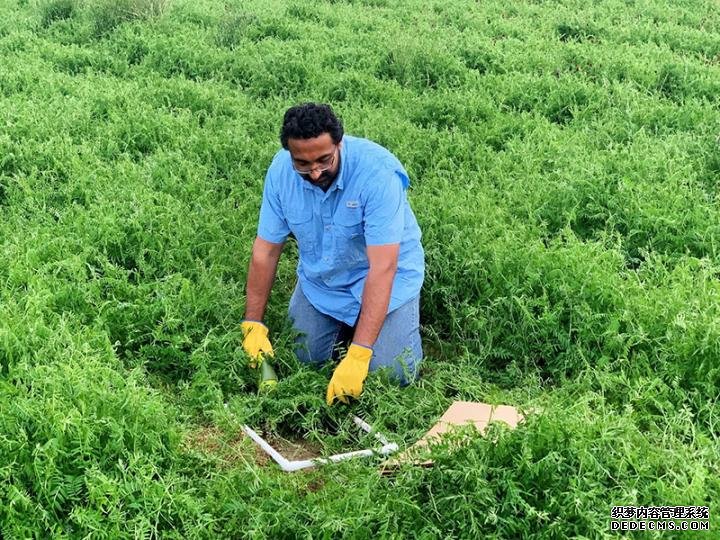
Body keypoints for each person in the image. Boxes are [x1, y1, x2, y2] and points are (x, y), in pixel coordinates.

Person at [240, 103, 424, 405]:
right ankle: (350, 330)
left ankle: (384, 330)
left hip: (388, 280)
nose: (314, 173)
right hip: (323, 283)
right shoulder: (280, 173)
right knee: (301, 358)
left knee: (392, 374)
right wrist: (253, 325)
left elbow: (383, 267)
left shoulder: (377, 174)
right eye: (303, 163)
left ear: (339, 143)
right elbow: (266, 251)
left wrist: (360, 353)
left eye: (324, 160)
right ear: (289, 153)